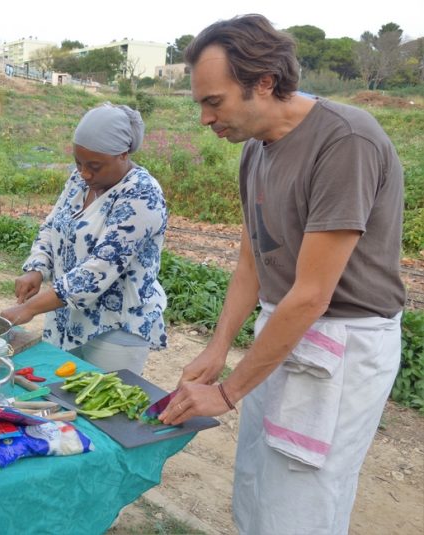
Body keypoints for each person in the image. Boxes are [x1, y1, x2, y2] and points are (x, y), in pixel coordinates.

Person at [159, 14, 405, 534]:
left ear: (264, 82)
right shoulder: (255, 150)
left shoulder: (345, 142)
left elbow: (313, 294)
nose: (205, 118)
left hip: (340, 343)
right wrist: (218, 347)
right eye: (200, 103)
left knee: (300, 504)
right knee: (257, 486)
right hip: (282, 329)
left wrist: (227, 392)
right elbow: (253, 257)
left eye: (214, 101)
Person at [0, 103, 167, 375]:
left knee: (102, 410)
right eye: (79, 163)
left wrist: (30, 308)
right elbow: (53, 226)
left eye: (95, 166)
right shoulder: (80, 181)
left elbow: (97, 270)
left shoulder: (142, 195)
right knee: (58, 400)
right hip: (67, 319)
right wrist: (36, 268)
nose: (85, 173)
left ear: (123, 154)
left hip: (114, 329)